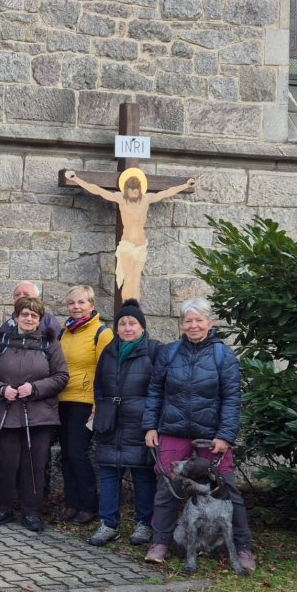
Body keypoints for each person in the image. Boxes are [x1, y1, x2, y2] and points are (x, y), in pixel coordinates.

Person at [142, 298, 256, 571]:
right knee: (167, 488)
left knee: (227, 487)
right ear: (182, 324)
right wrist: (150, 426)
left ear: (210, 323)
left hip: (211, 435)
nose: (193, 325)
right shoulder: (169, 353)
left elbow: (231, 398)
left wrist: (225, 436)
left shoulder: (223, 356)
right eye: (188, 321)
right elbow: (155, 392)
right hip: (173, 429)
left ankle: (243, 548)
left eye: (198, 320)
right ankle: (160, 542)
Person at [0, 296, 69, 533]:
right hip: (6, 412)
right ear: (16, 316)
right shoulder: (2, 341)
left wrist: (36, 388)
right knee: (5, 464)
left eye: (34, 315)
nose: (28, 319)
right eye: (24, 314)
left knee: (34, 465)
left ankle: (31, 512)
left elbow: (61, 376)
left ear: (39, 320)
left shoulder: (50, 343)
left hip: (39, 415)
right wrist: (1, 389)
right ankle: (3, 508)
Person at [65, 168, 196, 300]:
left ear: (140, 189)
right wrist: (75, 179)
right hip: (127, 245)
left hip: (140, 246)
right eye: (131, 189)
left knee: (136, 280)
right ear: (126, 189)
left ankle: (135, 311)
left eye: (136, 189)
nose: (134, 192)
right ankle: (126, 309)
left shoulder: (146, 199)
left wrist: (186, 185)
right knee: (128, 279)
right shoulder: (120, 198)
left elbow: (167, 192)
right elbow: (98, 190)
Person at [89, 299, 158, 546]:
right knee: (108, 475)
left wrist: (151, 422)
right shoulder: (108, 352)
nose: (128, 328)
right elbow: (99, 386)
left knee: (142, 476)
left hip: (139, 424)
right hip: (111, 423)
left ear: (142, 327)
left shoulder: (153, 350)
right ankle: (108, 524)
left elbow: (159, 390)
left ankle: (144, 524)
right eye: (123, 323)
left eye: (133, 323)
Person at [57, 285, 114, 525]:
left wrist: (97, 405)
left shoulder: (102, 333)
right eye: (72, 303)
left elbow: (106, 372)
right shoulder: (64, 333)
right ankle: (72, 503)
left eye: (81, 302)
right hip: (62, 400)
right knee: (66, 455)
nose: (76, 307)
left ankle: (89, 505)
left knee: (78, 453)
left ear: (91, 305)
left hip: (85, 402)